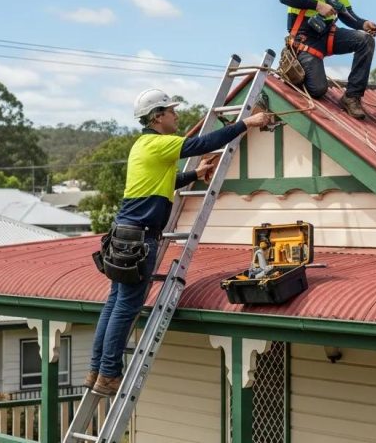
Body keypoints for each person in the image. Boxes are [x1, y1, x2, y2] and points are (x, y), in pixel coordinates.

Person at [87, 88, 273, 396]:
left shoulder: (143, 146)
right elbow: (203, 143)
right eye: (171, 112)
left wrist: (194, 175)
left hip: (123, 235)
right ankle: (108, 374)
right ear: (158, 118)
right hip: (138, 239)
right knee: (126, 308)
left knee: (115, 303)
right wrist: (247, 123)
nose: (176, 115)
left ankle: (97, 370)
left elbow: (163, 183)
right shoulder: (159, 143)